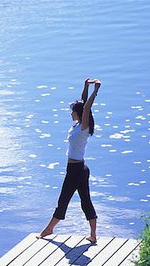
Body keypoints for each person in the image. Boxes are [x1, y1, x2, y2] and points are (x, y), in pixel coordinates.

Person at [37, 78, 100, 243]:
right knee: (84, 201)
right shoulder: (79, 125)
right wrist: (86, 87)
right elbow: (84, 104)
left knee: (64, 199)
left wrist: (96, 90)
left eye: (73, 111)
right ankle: (93, 235)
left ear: (79, 114)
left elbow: (86, 107)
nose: (71, 113)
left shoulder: (84, 127)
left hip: (76, 171)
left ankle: (48, 229)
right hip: (77, 169)